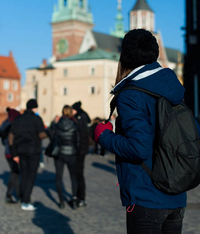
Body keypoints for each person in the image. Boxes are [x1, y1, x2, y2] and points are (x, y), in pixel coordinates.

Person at [94, 29, 186, 234]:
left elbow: (139, 148)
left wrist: (103, 135)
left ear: (125, 56)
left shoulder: (131, 94)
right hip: (176, 195)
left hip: (146, 195)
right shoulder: (172, 87)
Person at [9, 99, 47, 211]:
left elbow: (11, 137)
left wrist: (14, 153)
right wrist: (49, 133)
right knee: (31, 176)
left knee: (24, 175)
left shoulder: (18, 119)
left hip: (20, 151)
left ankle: (22, 197)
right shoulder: (37, 119)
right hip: (33, 151)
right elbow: (41, 135)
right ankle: (25, 201)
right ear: (34, 108)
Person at [54, 105, 80, 210]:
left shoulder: (58, 123)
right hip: (71, 153)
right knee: (73, 177)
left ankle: (61, 201)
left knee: (58, 177)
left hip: (60, 153)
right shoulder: (74, 124)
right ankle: (74, 199)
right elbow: (77, 140)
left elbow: (53, 137)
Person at [72, 101, 91, 207]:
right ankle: (80, 197)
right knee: (79, 174)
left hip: (79, 151)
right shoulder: (84, 117)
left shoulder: (80, 119)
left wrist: (78, 150)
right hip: (82, 150)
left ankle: (81, 197)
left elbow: (80, 137)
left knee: (78, 175)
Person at [0, 108, 20, 203]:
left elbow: (3, 138)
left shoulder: (5, 123)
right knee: (14, 173)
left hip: (7, 152)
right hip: (13, 152)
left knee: (15, 172)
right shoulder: (13, 124)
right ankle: (9, 194)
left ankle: (17, 193)